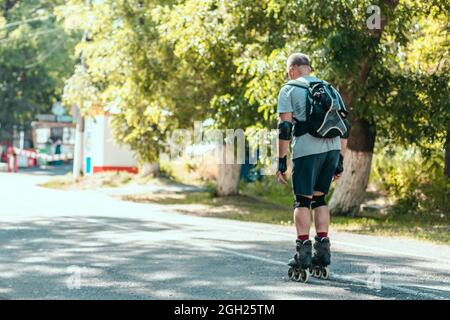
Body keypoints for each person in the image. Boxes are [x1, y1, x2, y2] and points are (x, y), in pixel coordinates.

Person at [276, 53, 349, 282]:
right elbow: (344, 126)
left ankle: (303, 253)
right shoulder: (330, 87)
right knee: (320, 199)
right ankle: (323, 251)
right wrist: (340, 160)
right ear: (309, 68)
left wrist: (281, 161)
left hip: (307, 151)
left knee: (302, 200)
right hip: (332, 150)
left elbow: (285, 127)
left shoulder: (289, 88)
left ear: (291, 70)